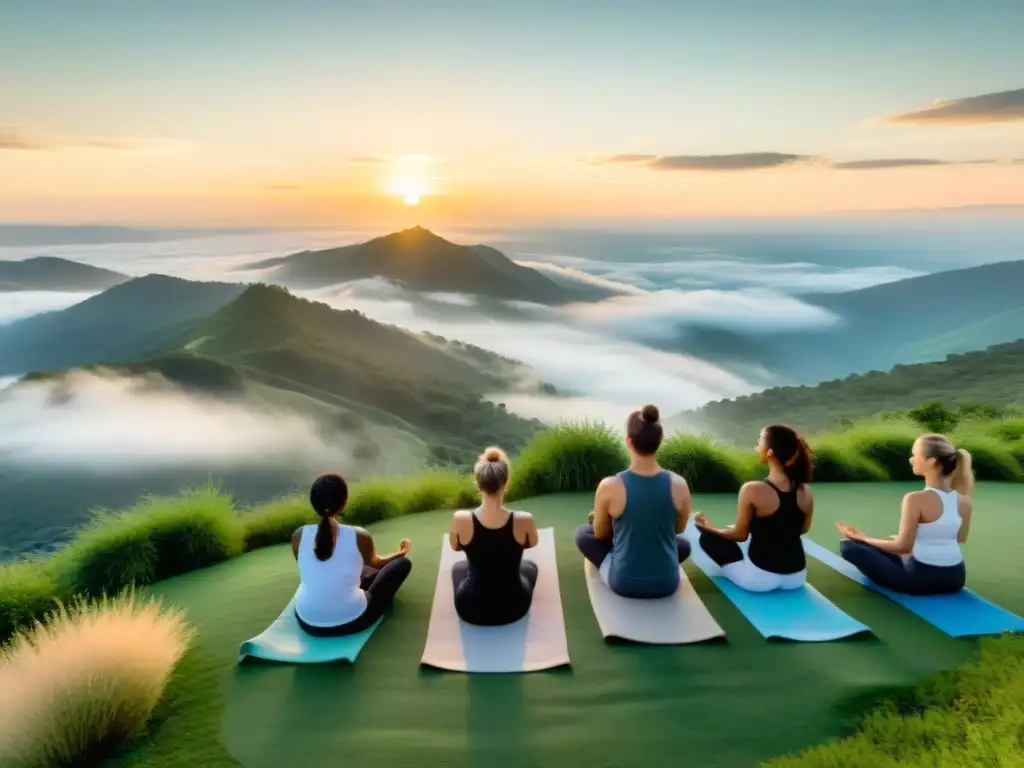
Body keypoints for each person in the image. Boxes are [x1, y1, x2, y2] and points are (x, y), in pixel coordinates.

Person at [574, 404, 692, 599]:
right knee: (683, 545)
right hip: (667, 583)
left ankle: (623, 555)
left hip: (624, 583)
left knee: (582, 534)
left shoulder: (609, 485)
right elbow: (677, 530)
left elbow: (600, 534)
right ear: (659, 442)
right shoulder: (680, 484)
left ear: (629, 441)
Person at [836, 433, 973, 595]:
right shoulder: (964, 501)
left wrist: (863, 539)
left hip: (920, 579)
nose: (911, 459)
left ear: (932, 461)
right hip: (955, 577)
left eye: (915, 455)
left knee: (848, 546)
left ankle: (866, 543)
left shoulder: (915, 499)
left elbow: (903, 547)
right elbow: (960, 538)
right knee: (892, 539)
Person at [694, 424, 814, 592]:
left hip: (759, 580)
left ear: (770, 452)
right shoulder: (806, 492)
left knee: (708, 539)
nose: (757, 444)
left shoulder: (752, 489)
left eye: (760, 440)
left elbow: (740, 535)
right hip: (797, 577)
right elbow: (802, 529)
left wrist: (708, 528)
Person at [291, 472, 413, 636]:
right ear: (344, 503)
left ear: (313, 503)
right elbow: (376, 563)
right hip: (351, 621)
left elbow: (310, 564)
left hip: (307, 622)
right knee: (401, 565)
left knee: (361, 569)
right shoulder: (359, 536)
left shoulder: (298, 535)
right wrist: (401, 552)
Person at [449, 447, 540, 626]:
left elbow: (456, 546)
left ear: (478, 482)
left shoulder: (460, 519)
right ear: (505, 482)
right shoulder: (525, 519)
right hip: (514, 608)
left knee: (458, 568)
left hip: (470, 609)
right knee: (530, 567)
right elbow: (531, 543)